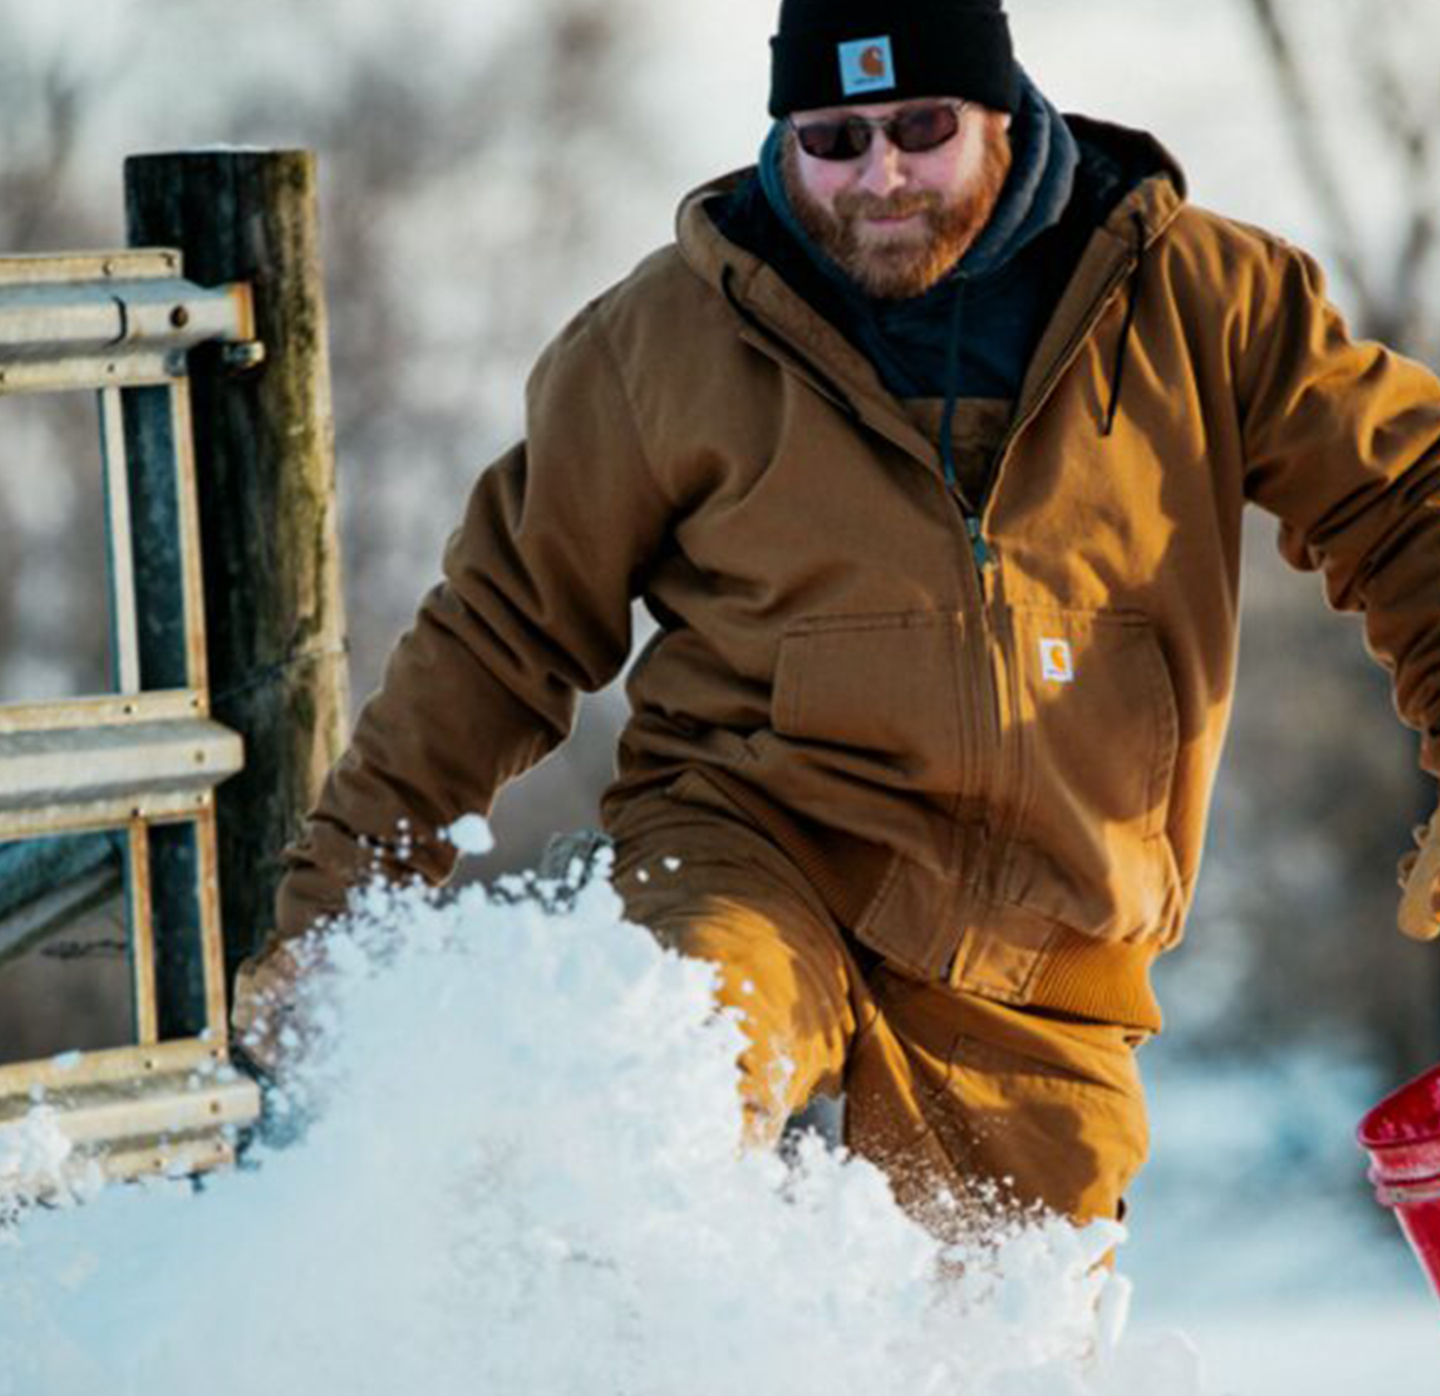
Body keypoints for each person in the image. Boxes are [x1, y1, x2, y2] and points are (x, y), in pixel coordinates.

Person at [233, 0, 1440, 1231]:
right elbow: (499, 634)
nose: (883, 175)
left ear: (1000, 110)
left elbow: (1412, 502)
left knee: (1001, 1393)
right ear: (785, 133)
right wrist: (336, 910)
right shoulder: (663, 343)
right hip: (757, 862)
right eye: (835, 138)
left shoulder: (1202, 299)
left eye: (923, 126)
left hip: (1043, 966)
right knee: (673, 1077)